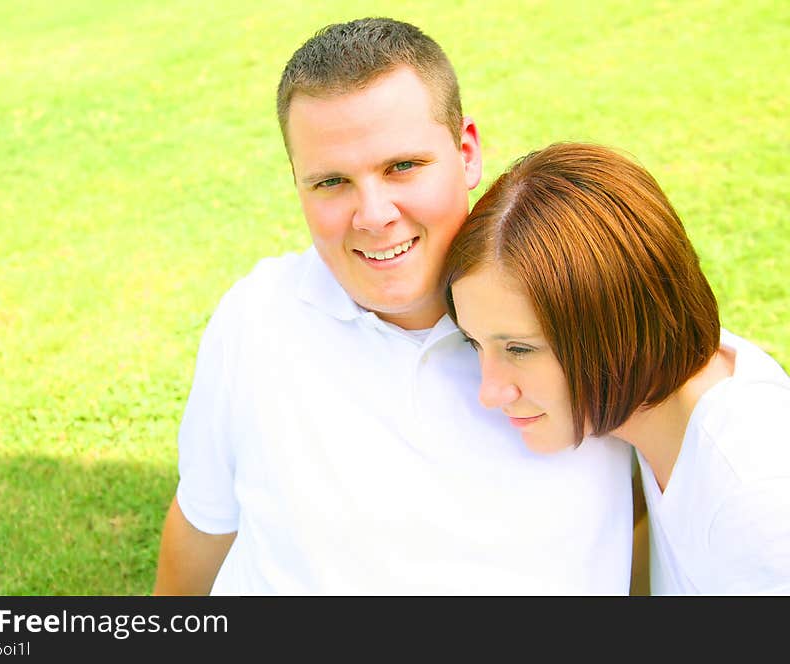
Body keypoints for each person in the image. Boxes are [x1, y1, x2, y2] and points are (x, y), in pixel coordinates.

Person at [153, 19, 634, 595]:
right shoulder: (254, 316)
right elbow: (204, 523)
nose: (374, 215)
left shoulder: (581, 302)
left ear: (467, 152)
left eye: (401, 166)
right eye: (332, 181)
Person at [444, 142, 790, 594]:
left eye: (520, 349)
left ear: (618, 324)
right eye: (475, 343)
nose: (489, 392)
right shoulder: (671, 399)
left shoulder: (756, 505)